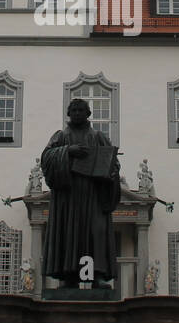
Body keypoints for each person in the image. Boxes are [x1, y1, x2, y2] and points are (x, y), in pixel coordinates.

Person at [40, 99, 121, 287]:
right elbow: (46, 158)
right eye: (74, 110)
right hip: (68, 196)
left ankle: (97, 275)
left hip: (93, 194)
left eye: (81, 110)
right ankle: (70, 277)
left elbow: (113, 163)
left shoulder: (98, 136)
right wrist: (68, 151)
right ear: (69, 113)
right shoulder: (60, 137)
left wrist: (109, 171)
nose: (77, 113)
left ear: (88, 113)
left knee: (96, 234)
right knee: (69, 234)